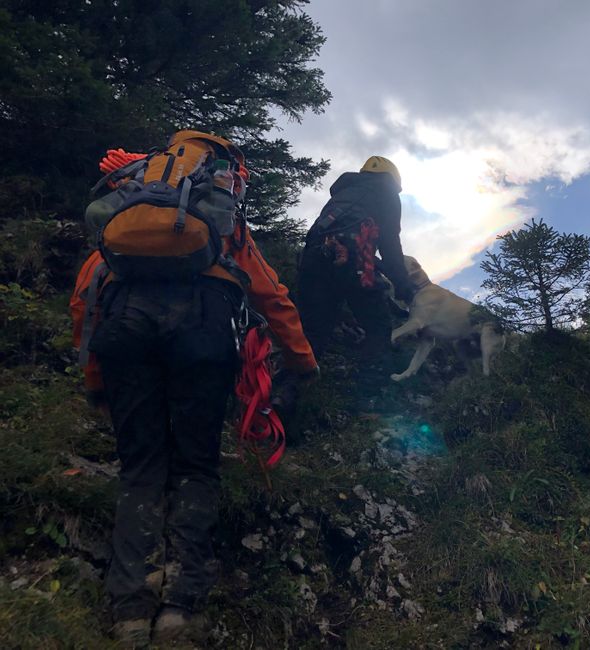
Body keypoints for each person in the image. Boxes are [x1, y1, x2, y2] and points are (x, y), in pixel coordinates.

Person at [70, 132, 317, 647]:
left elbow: (86, 295)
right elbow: (271, 295)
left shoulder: (137, 197)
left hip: (123, 328)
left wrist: (95, 379)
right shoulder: (218, 209)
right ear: (227, 167)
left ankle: (130, 611)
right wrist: (302, 362)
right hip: (202, 330)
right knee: (196, 464)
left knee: (139, 468)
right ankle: (181, 609)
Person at [296, 156, 415, 377]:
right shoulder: (386, 193)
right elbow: (389, 244)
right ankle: (373, 396)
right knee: (378, 327)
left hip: (313, 258)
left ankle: (289, 391)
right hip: (355, 263)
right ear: (392, 179)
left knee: (313, 332)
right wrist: (403, 286)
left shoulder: (343, 193)